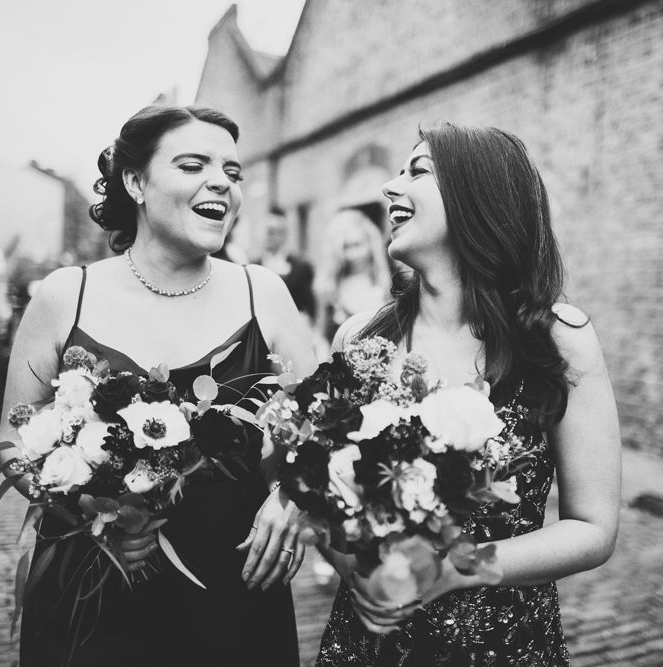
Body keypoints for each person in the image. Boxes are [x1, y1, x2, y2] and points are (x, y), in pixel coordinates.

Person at [0, 105, 316, 666]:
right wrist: (91, 513)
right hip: (94, 593)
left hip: (234, 595)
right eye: (193, 165)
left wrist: (292, 496)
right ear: (135, 181)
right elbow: (14, 447)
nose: (221, 181)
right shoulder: (63, 295)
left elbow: (323, 429)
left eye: (233, 172)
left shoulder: (261, 293)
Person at [316, 122, 621, 665]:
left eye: (418, 171)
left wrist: (455, 569)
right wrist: (353, 569)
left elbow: (592, 528)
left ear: (477, 197)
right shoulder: (359, 339)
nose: (390, 187)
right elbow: (319, 490)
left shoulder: (554, 339)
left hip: (502, 642)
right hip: (369, 639)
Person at [313, 208, 390, 342]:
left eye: (357, 244)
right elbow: (322, 336)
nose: (353, 255)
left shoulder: (388, 282)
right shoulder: (329, 289)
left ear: (370, 243)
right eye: (346, 247)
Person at [254, 208, 316, 321]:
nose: (268, 236)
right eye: (266, 231)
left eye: (273, 232)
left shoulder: (301, 267)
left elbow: (309, 308)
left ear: (284, 235)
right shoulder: (252, 266)